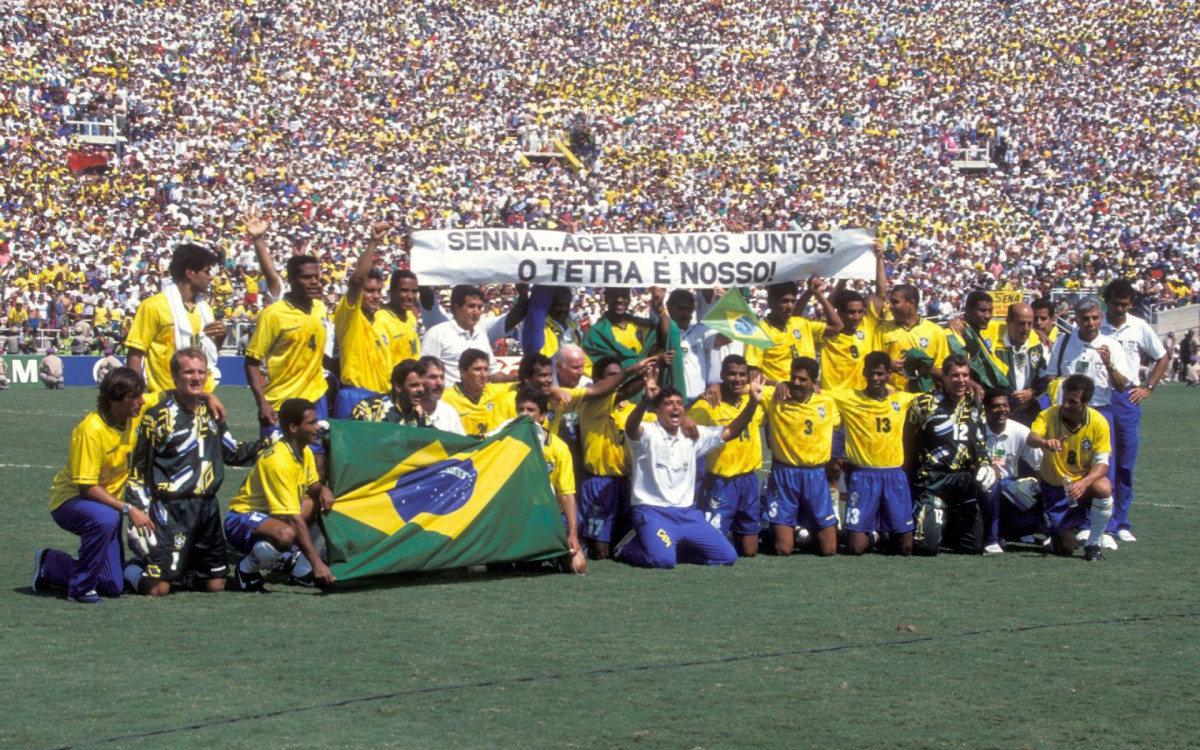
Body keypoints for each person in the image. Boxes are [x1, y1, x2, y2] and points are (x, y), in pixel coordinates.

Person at [122, 349, 264, 596]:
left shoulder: (212, 411)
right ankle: (131, 569)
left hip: (207, 510)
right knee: (159, 588)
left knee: (215, 585)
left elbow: (231, 452)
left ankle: (181, 568)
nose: (196, 378)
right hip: (171, 510)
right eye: (189, 372)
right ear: (175, 376)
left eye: (201, 372)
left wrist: (269, 443)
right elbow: (138, 472)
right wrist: (140, 511)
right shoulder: (157, 417)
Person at [614, 373, 762, 568]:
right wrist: (644, 401)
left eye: (678, 403)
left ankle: (671, 546)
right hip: (653, 512)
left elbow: (730, 431)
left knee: (727, 556)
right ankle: (626, 547)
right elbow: (631, 427)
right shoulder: (648, 432)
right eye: (668, 403)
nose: (675, 407)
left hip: (687, 514)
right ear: (657, 410)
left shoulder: (692, 436)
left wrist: (752, 403)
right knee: (662, 560)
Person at [32, 368, 151, 603]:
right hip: (71, 501)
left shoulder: (131, 415)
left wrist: (207, 395)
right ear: (114, 401)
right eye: (134, 396)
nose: (142, 401)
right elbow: (86, 488)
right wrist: (128, 508)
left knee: (112, 586)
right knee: (106, 519)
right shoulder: (90, 431)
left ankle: (50, 564)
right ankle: (80, 589)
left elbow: (170, 395)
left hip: (107, 507)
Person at [1047, 296, 1136, 549]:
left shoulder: (1112, 345)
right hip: (1068, 415)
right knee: (1069, 467)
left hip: (1100, 412)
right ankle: (1076, 524)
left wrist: (1108, 364)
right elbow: (1052, 375)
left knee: (1102, 468)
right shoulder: (1064, 343)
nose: (1091, 323)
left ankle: (1105, 528)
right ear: (1076, 319)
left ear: (1101, 317)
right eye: (1085, 318)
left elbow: (1122, 386)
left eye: (1095, 318)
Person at [225, 398, 337, 591]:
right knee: (286, 534)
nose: (317, 427)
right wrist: (318, 563)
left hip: (271, 515)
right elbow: (293, 518)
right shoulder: (279, 462)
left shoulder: (305, 451)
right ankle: (246, 569)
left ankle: (301, 572)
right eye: (311, 423)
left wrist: (322, 489)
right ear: (293, 428)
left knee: (319, 503)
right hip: (240, 520)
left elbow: (312, 485)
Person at [908, 354, 1002, 555]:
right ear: (944, 377)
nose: (961, 380)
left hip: (963, 480)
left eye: (965, 375)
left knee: (973, 547)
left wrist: (985, 464)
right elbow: (908, 442)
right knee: (927, 547)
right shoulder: (923, 404)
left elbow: (980, 442)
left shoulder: (975, 404)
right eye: (955, 375)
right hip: (933, 479)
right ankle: (929, 520)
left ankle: (945, 526)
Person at [1099, 279, 1169, 543]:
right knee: (1105, 461)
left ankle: (1122, 522)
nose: (1120, 309)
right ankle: (1102, 520)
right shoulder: (1096, 324)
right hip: (1100, 397)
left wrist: (1149, 386)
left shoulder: (1138, 326)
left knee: (1126, 462)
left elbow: (1162, 356)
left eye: (1125, 305)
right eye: (1116, 304)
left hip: (1128, 397)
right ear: (1107, 301)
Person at [831, 351, 918, 555]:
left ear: (888, 374)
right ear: (864, 373)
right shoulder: (849, 398)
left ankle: (884, 529)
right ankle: (873, 534)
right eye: (871, 374)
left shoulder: (902, 400)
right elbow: (817, 392)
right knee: (855, 548)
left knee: (905, 548)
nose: (875, 378)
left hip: (894, 475)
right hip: (863, 476)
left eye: (880, 374)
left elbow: (933, 396)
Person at [1025, 375, 1114, 561]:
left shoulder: (1098, 423)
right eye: (1064, 399)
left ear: (1087, 402)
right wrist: (1045, 442)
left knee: (1103, 487)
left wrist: (1085, 482)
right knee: (1066, 548)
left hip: (1081, 486)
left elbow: (1103, 463)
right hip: (1056, 489)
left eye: (1072, 402)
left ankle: (1093, 544)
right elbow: (1031, 438)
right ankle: (1055, 533)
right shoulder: (1049, 415)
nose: (1065, 405)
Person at [687, 354, 767, 556]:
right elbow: (682, 422)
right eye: (731, 374)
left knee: (749, 551)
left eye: (742, 374)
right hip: (720, 483)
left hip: (748, 480)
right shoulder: (709, 404)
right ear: (722, 375)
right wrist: (700, 396)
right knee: (710, 550)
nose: (737, 379)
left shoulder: (755, 398)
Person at [762, 356, 841, 556]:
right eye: (793, 378)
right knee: (783, 549)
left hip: (815, 476)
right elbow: (747, 384)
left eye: (803, 380)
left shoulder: (827, 402)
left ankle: (800, 524)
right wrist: (776, 382)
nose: (796, 383)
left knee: (829, 549)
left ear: (813, 383)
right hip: (784, 474)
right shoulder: (775, 397)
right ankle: (775, 523)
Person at [576, 355, 652, 559]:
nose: (618, 380)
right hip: (599, 482)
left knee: (622, 537)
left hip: (624, 482)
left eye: (620, 375)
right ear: (599, 380)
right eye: (612, 376)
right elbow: (626, 390)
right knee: (600, 547)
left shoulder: (633, 411)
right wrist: (646, 374)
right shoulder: (591, 402)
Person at [125, 241, 225, 393]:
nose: (210, 278)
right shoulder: (154, 306)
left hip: (203, 397)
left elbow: (204, 355)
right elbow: (135, 356)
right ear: (190, 273)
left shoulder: (205, 310)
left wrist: (220, 337)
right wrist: (136, 395)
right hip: (165, 397)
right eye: (206, 272)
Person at [513, 388, 585, 572]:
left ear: (542, 416)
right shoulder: (508, 444)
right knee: (525, 565)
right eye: (520, 409)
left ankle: (553, 552)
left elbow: (567, 495)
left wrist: (573, 534)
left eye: (530, 410)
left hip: (551, 517)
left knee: (578, 566)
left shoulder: (558, 448)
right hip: (521, 516)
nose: (524, 414)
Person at [332, 222, 393, 417]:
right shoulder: (350, 317)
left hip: (382, 399)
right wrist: (373, 242)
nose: (375, 296)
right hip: (355, 396)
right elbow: (357, 280)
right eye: (370, 291)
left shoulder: (381, 321)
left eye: (378, 291)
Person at [421, 284, 527, 385]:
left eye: (480, 307)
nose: (476, 312)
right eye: (471, 306)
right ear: (456, 307)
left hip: (478, 402)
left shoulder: (481, 336)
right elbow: (424, 373)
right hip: (447, 401)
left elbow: (493, 374)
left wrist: (514, 378)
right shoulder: (437, 334)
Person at [746, 277, 842, 385]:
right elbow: (752, 374)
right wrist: (777, 384)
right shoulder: (759, 332)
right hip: (776, 396)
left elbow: (837, 326)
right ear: (771, 302)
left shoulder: (801, 324)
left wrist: (817, 294)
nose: (790, 306)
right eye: (785, 301)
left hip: (806, 395)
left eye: (793, 301)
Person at [981, 387, 1044, 544]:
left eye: (1005, 405)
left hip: (1008, 489)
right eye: (996, 406)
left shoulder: (1021, 431)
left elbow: (1040, 467)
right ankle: (992, 539)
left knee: (1030, 515)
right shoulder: (975, 429)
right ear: (986, 409)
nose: (1002, 410)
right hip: (980, 490)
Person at [873, 283, 949, 393]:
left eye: (895, 302)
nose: (891, 306)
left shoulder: (936, 332)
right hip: (891, 398)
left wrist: (929, 369)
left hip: (924, 397)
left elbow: (944, 371)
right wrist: (887, 364)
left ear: (911, 303)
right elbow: (872, 362)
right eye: (890, 302)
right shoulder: (881, 330)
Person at [993, 302, 1047, 425]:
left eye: (1030, 324)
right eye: (1021, 323)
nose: (1026, 329)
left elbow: (1047, 378)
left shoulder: (1038, 346)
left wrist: (1032, 393)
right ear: (1008, 320)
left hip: (1029, 412)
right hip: (999, 413)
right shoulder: (994, 342)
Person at [440, 348, 509, 436]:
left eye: (486, 369)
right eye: (477, 369)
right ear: (462, 372)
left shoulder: (495, 390)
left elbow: (524, 384)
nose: (483, 375)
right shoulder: (446, 398)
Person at [350, 359, 428, 425]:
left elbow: (434, 439)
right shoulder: (370, 409)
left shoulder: (420, 415)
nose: (421, 389)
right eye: (414, 385)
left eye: (424, 385)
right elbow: (346, 436)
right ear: (398, 387)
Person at [376, 269, 422, 369]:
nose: (410, 296)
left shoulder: (410, 316)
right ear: (391, 291)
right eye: (404, 291)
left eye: (414, 292)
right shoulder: (380, 320)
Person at [416, 356, 467, 435]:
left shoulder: (449, 412)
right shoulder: (405, 413)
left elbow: (462, 444)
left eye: (442, 377)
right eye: (433, 377)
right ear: (419, 379)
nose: (439, 383)